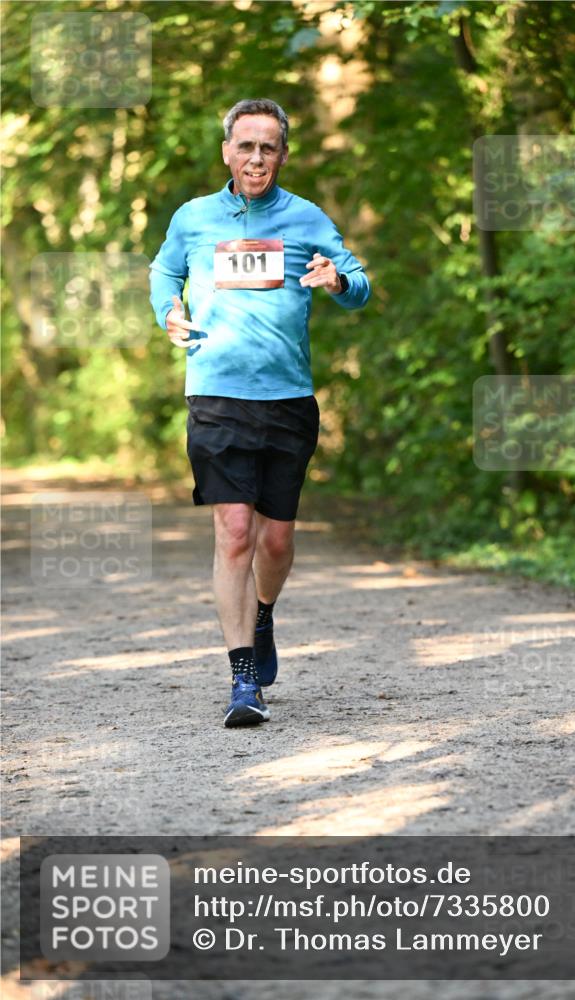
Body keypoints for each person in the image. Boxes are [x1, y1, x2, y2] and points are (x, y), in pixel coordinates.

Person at [149, 98, 371, 728]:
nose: (255, 157)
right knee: (235, 532)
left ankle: (264, 612)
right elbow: (164, 271)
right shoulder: (194, 218)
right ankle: (243, 679)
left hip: (287, 400)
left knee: (275, 539)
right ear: (227, 151)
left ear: (282, 154)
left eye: (267, 147)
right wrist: (168, 310)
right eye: (245, 145)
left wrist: (336, 281)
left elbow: (359, 284)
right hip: (216, 394)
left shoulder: (305, 219)